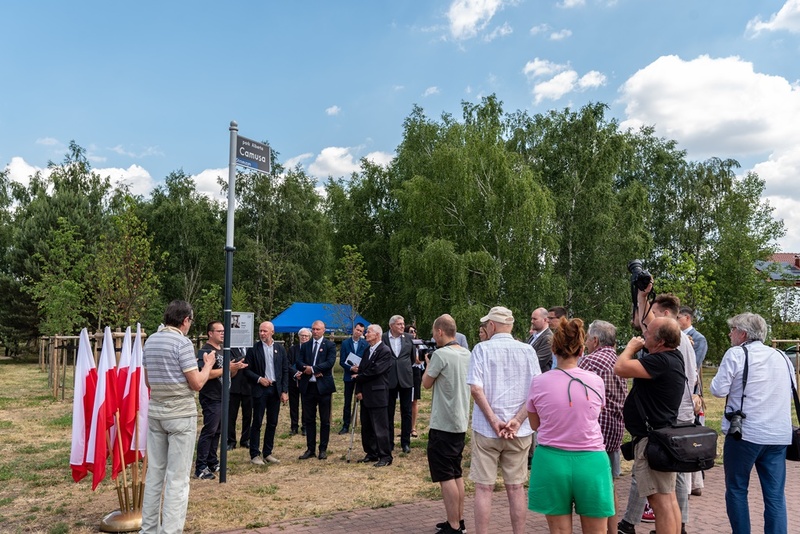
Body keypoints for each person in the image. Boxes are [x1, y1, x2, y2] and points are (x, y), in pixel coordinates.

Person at [619, 290, 697, 534]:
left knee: (660, 502)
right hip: (662, 437)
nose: (644, 334)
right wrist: (642, 297)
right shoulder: (672, 357)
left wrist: (630, 347)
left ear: (660, 341)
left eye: (649, 333)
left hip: (653, 440)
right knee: (668, 498)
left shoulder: (660, 362)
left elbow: (620, 368)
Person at [710, 312, 795, 534]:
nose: (730, 334)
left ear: (743, 333)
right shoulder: (783, 357)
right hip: (778, 434)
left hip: (745, 433)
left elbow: (717, 390)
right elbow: (791, 388)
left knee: (737, 489)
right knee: (775, 495)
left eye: (732, 329)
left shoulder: (737, 354)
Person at [527, 317, 614, 533]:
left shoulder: (539, 382)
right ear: (582, 350)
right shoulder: (596, 381)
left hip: (551, 461)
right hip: (592, 462)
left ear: (554, 348)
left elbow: (535, 424)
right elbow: (593, 414)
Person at [141, 300, 215, 534]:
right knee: (177, 479)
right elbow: (196, 384)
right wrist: (208, 366)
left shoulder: (151, 340)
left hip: (156, 413)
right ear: (185, 320)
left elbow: (147, 382)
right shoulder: (182, 343)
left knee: (155, 474)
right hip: (180, 415)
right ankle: (170, 531)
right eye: (191, 321)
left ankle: (148, 529)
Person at [467, 306, 542, 534]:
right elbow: (535, 390)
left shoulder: (481, 349)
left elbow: (476, 389)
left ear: (491, 325)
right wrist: (518, 421)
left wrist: (493, 420)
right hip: (518, 431)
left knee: (484, 488)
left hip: (487, 430)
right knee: (516, 487)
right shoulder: (527, 351)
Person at [423, 314, 472, 534]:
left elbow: (426, 384)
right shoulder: (467, 354)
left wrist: (427, 364)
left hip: (443, 423)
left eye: (434, 332)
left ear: (440, 332)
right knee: (456, 472)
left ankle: (453, 526)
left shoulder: (440, 355)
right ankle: (458, 520)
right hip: (460, 421)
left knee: (445, 476)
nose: (434, 336)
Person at [578, 319, 626, 534]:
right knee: (609, 484)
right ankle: (612, 530)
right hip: (615, 427)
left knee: (594, 488)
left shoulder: (590, 361)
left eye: (587, 338)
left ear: (595, 340)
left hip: (595, 431)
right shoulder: (617, 359)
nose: (586, 342)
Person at [195, 321, 246, 479]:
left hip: (224, 395)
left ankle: (213, 461)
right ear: (210, 333)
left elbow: (228, 374)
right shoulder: (205, 351)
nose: (223, 334)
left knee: (218, 431)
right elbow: (206, 374)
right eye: (219, 331)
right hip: (211, 396)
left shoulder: (225, 351)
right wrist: (227, 369)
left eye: (224, 331)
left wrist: (234, 369)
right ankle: (200, 467)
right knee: (209, 431)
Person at [244, 321, 289, 464]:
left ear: (272, 332)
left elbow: (285, 370)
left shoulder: (280, 349)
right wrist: (259, 379)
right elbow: (246, 370)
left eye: (265, 331)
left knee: (272, 422)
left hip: (275, 390)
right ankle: (254, 454)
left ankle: (267, 452)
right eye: (260, 331)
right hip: (260, 390)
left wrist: (284, 391)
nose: (262, 333)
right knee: (257, 421)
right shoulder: (253, 349)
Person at [352, 323, 393, 466]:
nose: (365, 334)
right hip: (366, 394)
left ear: (377, 334)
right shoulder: (367, 350)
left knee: (380, 427)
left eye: (368, 332)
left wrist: (359, 377)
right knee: (367, 425)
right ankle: (371, 452)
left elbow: (376, 370)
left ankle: (385, 456)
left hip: (378, 394)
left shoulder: (385, 351)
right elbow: (362, 369)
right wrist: (358, 390)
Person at [677, 306, 708, 496]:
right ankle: (695, 483)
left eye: (678, 317)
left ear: (687, 318)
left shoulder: (698, 339)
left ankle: (694, 482)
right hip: (682, 393)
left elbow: (693, 366)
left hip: (691, 394)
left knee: (692, 438)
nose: (676, 320)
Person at [295, 320, 337, 460]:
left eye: (318, 329)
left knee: (325, 420)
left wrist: (312, 369)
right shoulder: (305, 346)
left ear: (323, 330)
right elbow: (299, 362)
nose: (315, 332)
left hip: (323, 387)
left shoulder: (330, 345)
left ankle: (323, 449)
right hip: (308, 387)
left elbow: (330, 362)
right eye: (313, 329)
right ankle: (310, 448)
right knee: (309, 419)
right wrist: (308, 370)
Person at [383, 315, 415, 454]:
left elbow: (413, 357)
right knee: (389, 412)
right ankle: (389, 442)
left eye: (403, 324)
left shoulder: (408, 338)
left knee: (406, 411)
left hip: (405, 379)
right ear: (391, 326)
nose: (402, 326)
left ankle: (405, 442)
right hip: (389, 379)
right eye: (399, 324)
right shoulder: (383, 338)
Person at [339, 322, 368, 435]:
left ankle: (363, 425)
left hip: (360, 376)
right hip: (348, 375)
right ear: (353, 329)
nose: (358, 332)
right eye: (357, 330)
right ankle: (346, 425)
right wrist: (351, 368)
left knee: (362, 401)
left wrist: (359, 369)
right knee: (347, 401)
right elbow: (342, 361)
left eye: (361, 331)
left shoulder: (365, 344)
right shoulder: (345, 343)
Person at [227, 344, 252, 451]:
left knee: (248, 415)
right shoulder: (230, 348)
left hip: (249, 386)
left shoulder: (251, 348)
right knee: (231, 416)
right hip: (234, 387)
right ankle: (231, 441)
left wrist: (240, 361)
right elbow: (230, 363)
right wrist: (241, 360)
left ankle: (245, 439)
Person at [287, 327, 311, 435]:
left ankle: (305, 427)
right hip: (293, 380)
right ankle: (294, 427)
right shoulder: (292, 349)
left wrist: (305, 372)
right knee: (293, 404)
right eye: (302, 335)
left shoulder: (311, 349)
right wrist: (296, 373)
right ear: (299, 337)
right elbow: (287, 364)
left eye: (306, 336)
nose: (304, 337)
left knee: (306, 404)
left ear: (309, 337)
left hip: (307, 380)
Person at [406, 324, 424, 438]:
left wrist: (417, 358)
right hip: (405, 372)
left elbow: (420, 361)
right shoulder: (404, 344)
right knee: (405, 401)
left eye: (414, 331)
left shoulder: (419, 345)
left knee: (414, 401)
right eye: (411, 331)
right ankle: (405, 427)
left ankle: (413, 428)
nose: (413, 333)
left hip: (415, 372)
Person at [528, 307, 554, 373]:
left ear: (545, 320)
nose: (532, 321)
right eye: (532, 318)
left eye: (535, 319)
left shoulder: (548, 338)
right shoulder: (533, 336)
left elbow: (538, 361)